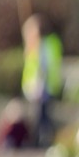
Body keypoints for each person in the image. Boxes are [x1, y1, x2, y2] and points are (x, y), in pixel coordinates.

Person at [21, 14, 63, 147]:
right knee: (41, 116)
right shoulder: (41, 46)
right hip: (37, 88)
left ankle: (42, 142)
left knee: (42, 117)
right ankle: (41, 141)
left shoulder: (45, 46)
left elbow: (43, 67)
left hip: (44, 88)